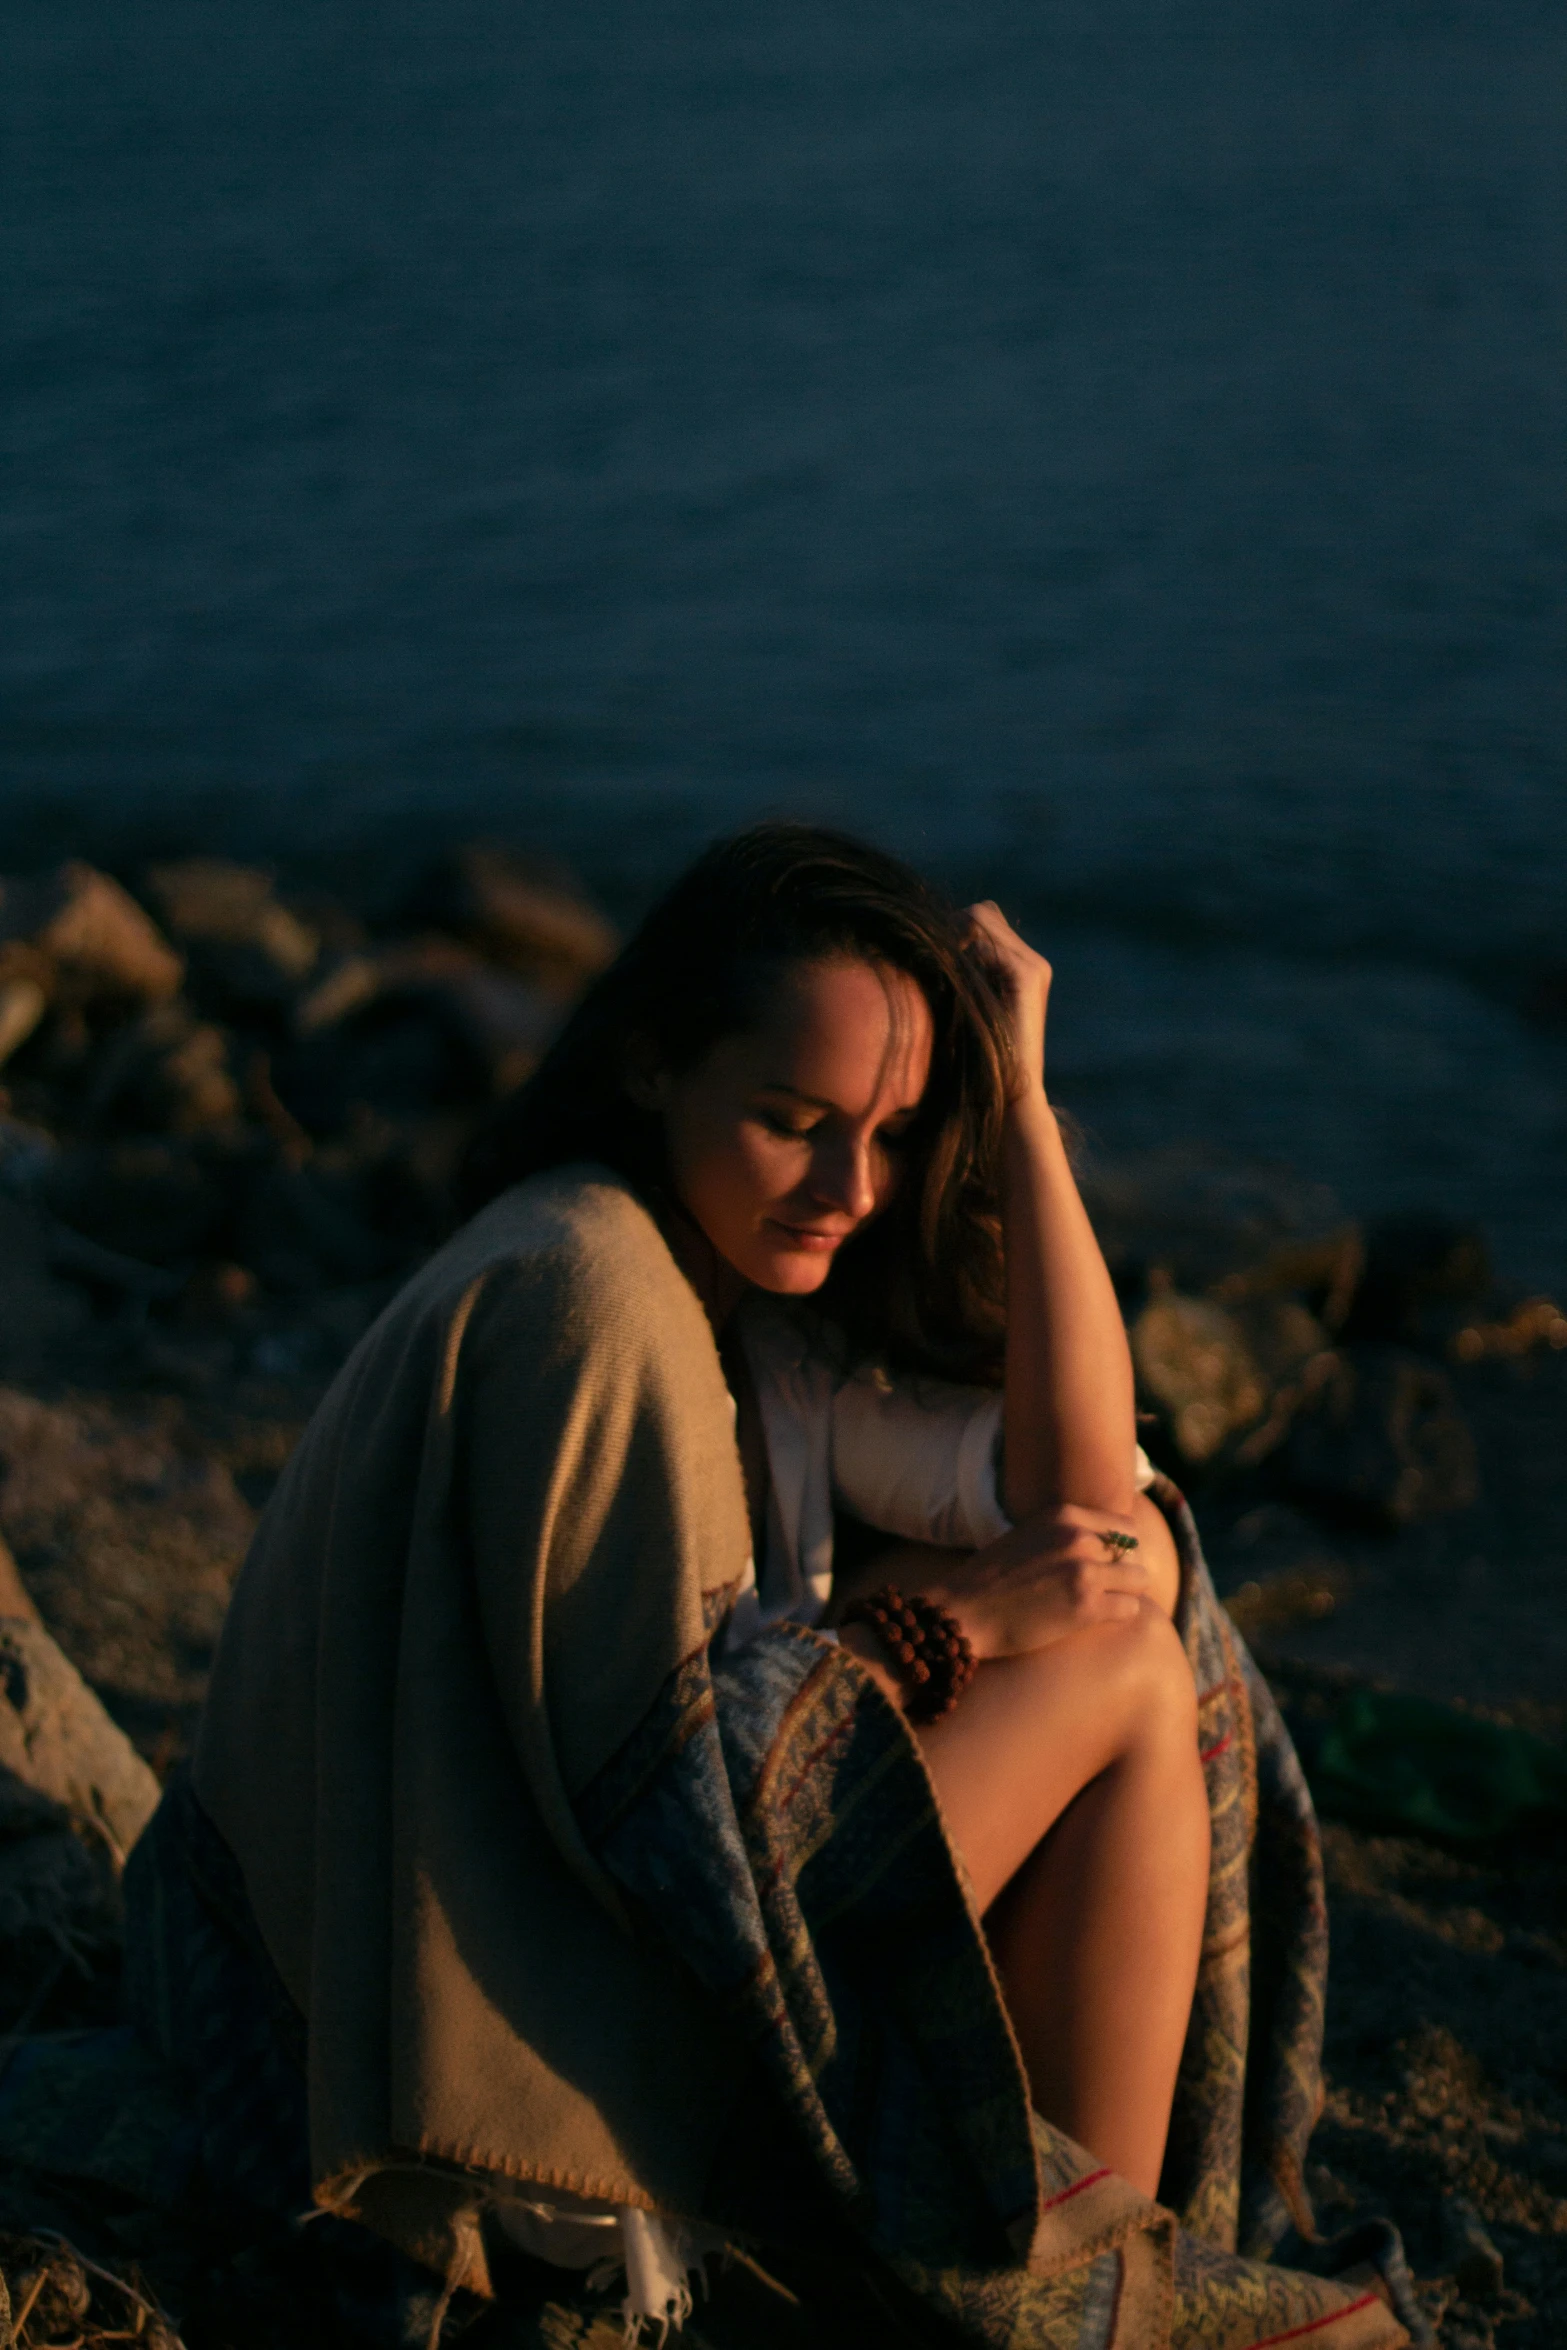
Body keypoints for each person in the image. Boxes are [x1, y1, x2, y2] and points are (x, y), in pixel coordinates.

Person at [124, 826, 1416, 2349]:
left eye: (888, 1132)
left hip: (621, 1945)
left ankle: (1055, 2281)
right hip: (526, 2038)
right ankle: (1059, 2298)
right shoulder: (586, 1291)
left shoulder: (766, 1329)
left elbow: (1088, 1499)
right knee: (1115, 1664)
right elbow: (656, 1801)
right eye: (794, 1120)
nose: (845, 1188)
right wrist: (954, 1630)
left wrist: (1020, 1108)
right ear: (657, 1063)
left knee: (1110, 1594)